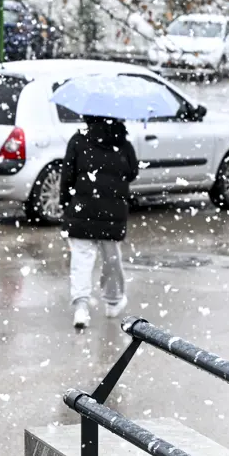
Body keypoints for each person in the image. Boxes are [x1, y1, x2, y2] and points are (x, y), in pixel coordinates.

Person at [60, 115, 139, 329]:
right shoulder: (123, 145)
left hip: (82, 209)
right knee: (111, 258)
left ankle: (81, 308)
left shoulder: (78, 141)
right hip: (112, 212)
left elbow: (67, 176)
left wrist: (65, 203)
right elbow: (132, 173)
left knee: (81, 260)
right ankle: (113, 301)